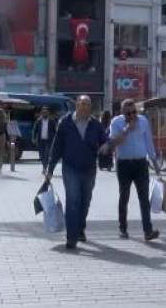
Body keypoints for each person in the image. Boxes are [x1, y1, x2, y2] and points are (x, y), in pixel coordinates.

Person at [45, 95, 109, 251]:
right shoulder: (65, 123)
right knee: (73, 201)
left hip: (89, 168)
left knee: (85, 200)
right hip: (70, 167)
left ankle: (80, 228)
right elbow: (57, 147)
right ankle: (71, 237)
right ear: (77, 105)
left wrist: (106, 145)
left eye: (89, 104)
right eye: (83, 104)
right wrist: (50, 169)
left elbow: (104, 139)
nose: (86, 107)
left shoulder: (95, 124)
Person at [109, 98, 161, 242]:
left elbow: (148, 141)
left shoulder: (143, 121)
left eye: (134, 112)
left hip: (140, 164)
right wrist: (126, 130)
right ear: (122, 112)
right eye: (128, 113)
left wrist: (154, 162)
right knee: (124, 197)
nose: (132, 116)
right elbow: (112, 143)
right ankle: (123, 228)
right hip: (124, 164)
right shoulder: (116, 122)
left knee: (144, 198)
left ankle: (148, 231)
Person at [32, 107, 57, 174]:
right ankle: (44, 166)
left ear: (48, 113)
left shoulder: (52, 121)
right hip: (40, 140)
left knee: (46, 155)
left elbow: (55, 131)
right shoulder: (38, 121)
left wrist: (55, 140)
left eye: (46, 112)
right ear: (41, 113)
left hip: (48, 141)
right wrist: (34, 138)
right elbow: (35, 130)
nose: (44, 114)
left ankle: (44, 168)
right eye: (43, 113)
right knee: (42, 155)